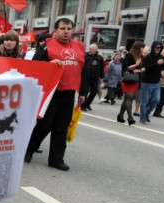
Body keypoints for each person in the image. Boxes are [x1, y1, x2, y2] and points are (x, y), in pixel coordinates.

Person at [24, 18, 85, 171]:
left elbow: (83, 70)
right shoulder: (46, 47)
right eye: (63, 28)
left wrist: (83, 91)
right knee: (45, 125)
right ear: (55, 30)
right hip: (51, 92)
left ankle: (56, 159)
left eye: (69, 28)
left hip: (69, 92)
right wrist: (48, 64)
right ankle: (28, 149)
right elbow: (34, 66)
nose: (66, 31)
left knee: (61, 127)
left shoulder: (79, 47)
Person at [139, 41, 164, 125]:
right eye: (157, 47)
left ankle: (147, 113)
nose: (158, 49)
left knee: (156, 100)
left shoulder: (161, 57)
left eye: (160, 48)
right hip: (147, 82)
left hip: (156, 82)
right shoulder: (148, 57)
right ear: (153, 47)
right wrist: (156, 63)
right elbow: (146, 69)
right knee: (144, 101)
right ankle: (142, 118)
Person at [117, 41, 144, 126]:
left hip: (135, 79)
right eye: (142, 47)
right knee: (130, 97)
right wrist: (135, 66)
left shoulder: (141, 56)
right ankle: (130, 117)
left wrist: (140, 69)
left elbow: (142, 68)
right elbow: (125, 67)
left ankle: (120, 116)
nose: (143, 49)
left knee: (127, 99)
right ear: (138, 48)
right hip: (128, 79)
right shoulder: (129, 55)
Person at [80, 43, 104, 111]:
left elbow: (102, 68)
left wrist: (102, 77)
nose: (90, 50)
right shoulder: (85, 56)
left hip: (95, 78)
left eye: (92, 49)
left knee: (95, 91)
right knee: (85, 92)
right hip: (85, 77)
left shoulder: (99, 58)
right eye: (89, 49)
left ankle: (87, 104)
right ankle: (83, 106)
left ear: (96, 50)